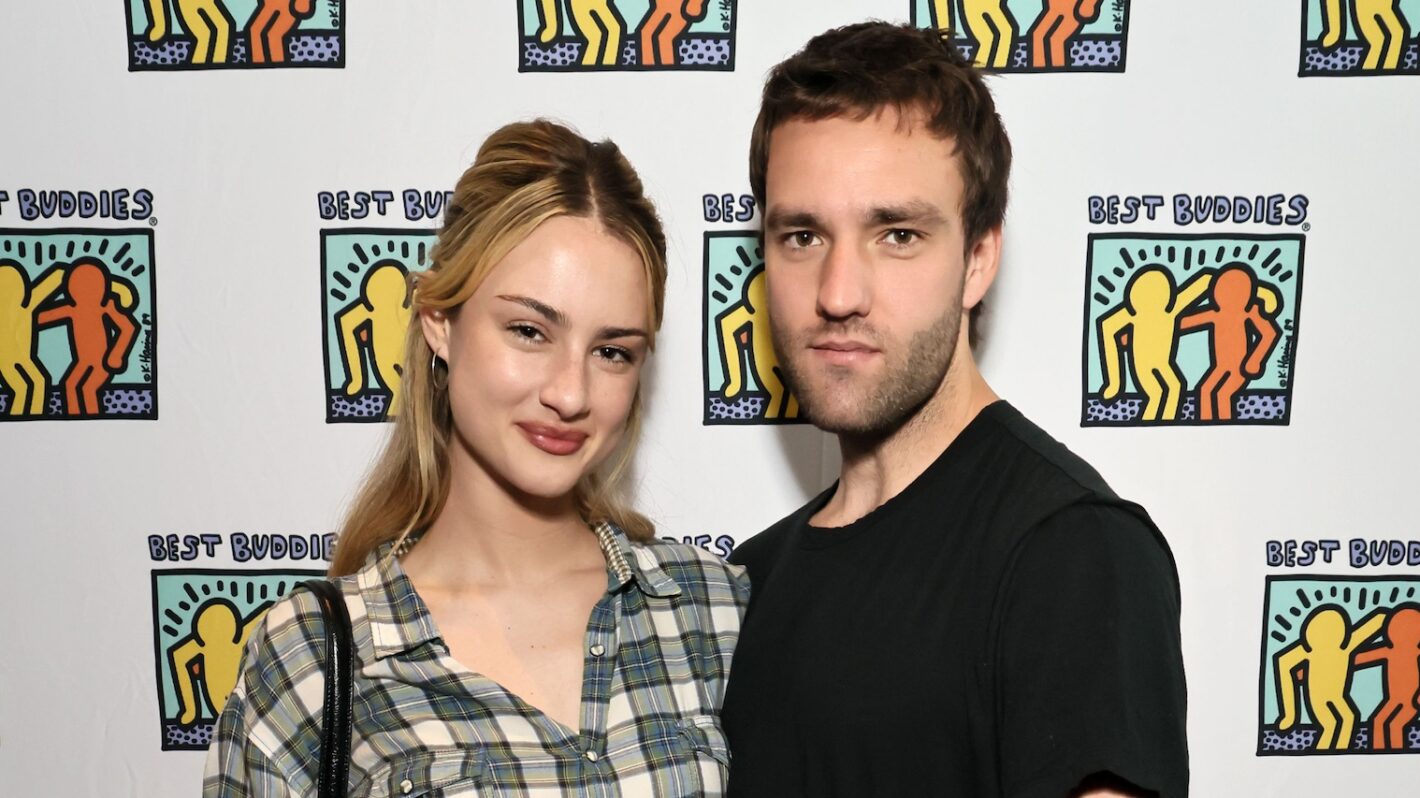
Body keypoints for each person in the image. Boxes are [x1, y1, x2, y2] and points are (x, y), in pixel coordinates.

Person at [205, 120, 748, 796]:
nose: (570, 393)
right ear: (439, 319)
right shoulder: (314, 657)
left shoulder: (714, 612)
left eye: (612, 351)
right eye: (529, 331)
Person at [720, 22, 1188, 797]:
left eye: (896, 234)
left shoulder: (1072, 555)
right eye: (802, 235)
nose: (838, 293)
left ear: (978, 259)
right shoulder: (752, 578)